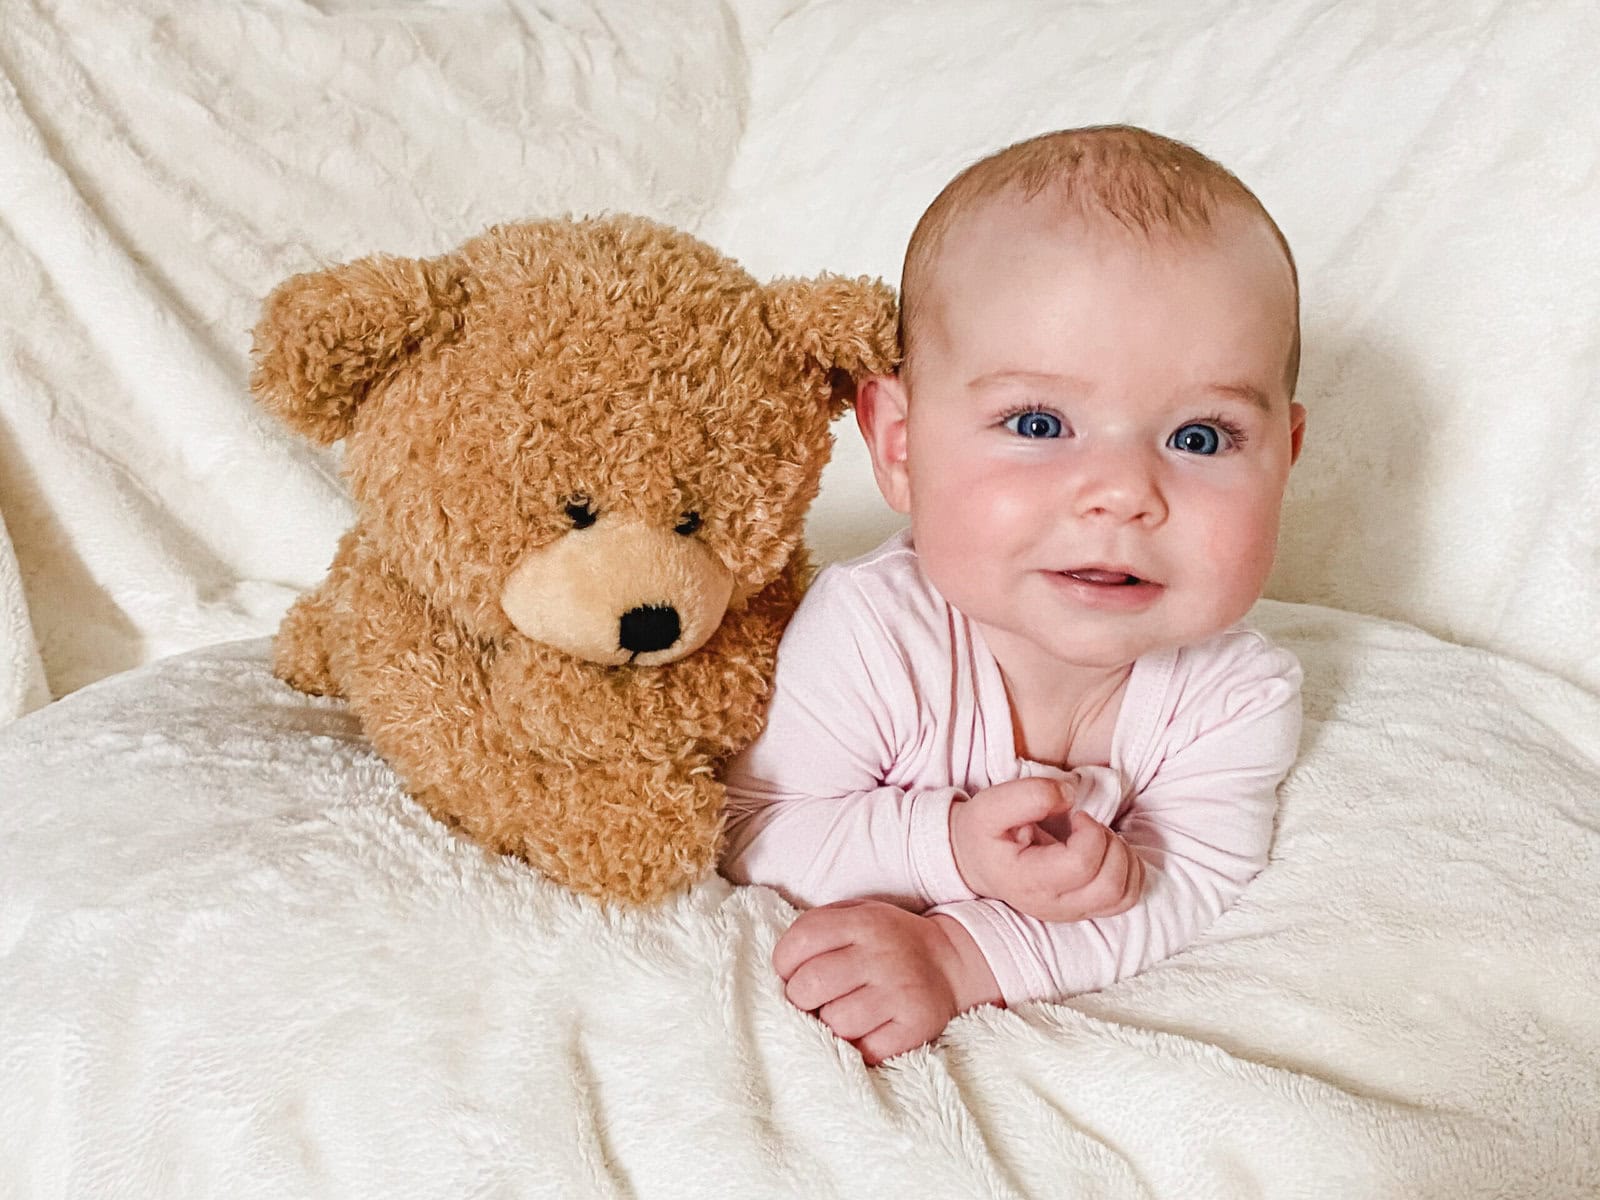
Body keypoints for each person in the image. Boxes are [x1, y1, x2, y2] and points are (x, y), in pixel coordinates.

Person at [719, 125, 1308, 1065]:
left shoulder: (1237, 694)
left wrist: (961, 955)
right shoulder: (875, 632)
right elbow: (750, 831)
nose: (1122, 493)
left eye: (1200, 437)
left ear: (1284, 459)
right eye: (1040, 423)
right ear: (902, 446)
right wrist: (946, 847)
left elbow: (1185, 885)